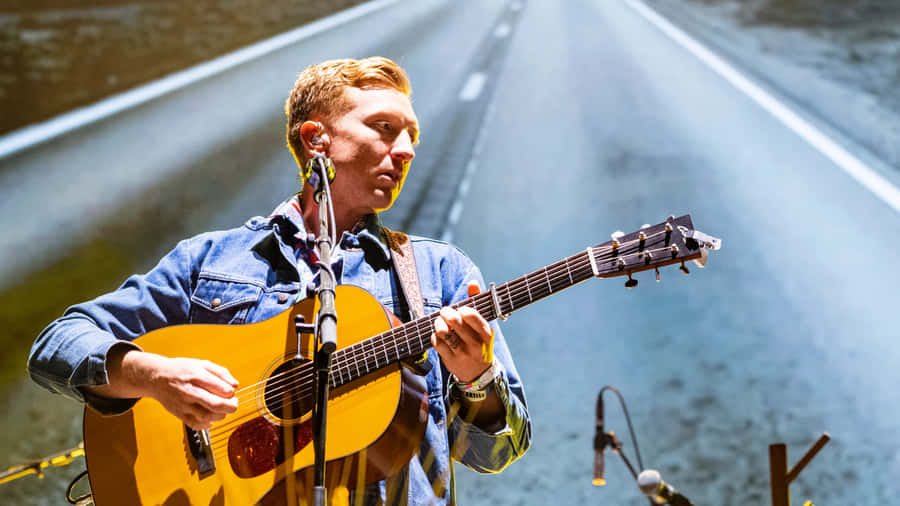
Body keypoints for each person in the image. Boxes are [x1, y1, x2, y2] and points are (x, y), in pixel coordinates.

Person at [28, 56, 531, 504]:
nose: (406, 151)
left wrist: (476, 379)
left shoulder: (440, 275)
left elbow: (494, 454)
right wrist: (152, 376)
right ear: (316, 139)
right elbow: (57, 344)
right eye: (384, 128)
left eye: (411, 137)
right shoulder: (210, 260)